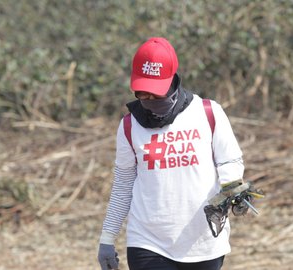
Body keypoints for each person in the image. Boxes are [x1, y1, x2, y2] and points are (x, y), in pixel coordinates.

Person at [97, 37, 245, 270]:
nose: (149, 101)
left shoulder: (208, 113)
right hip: (148, 241)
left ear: (173, 81)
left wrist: (232, 189)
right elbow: (123, 185)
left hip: (203, 241)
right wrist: (107, 238)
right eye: (143, 94)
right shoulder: (129, 126)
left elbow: (230, 160)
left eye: (156, 94)